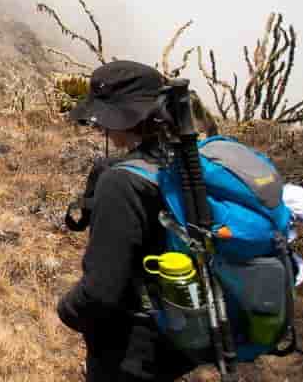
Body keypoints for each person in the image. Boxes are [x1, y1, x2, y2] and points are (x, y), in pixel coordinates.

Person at [56, 61, 198, 381]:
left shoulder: (122, 183)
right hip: (178, 330)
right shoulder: (182, 161)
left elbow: (100, 293)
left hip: (130, 347)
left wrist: (67, 309)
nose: (101, 127)